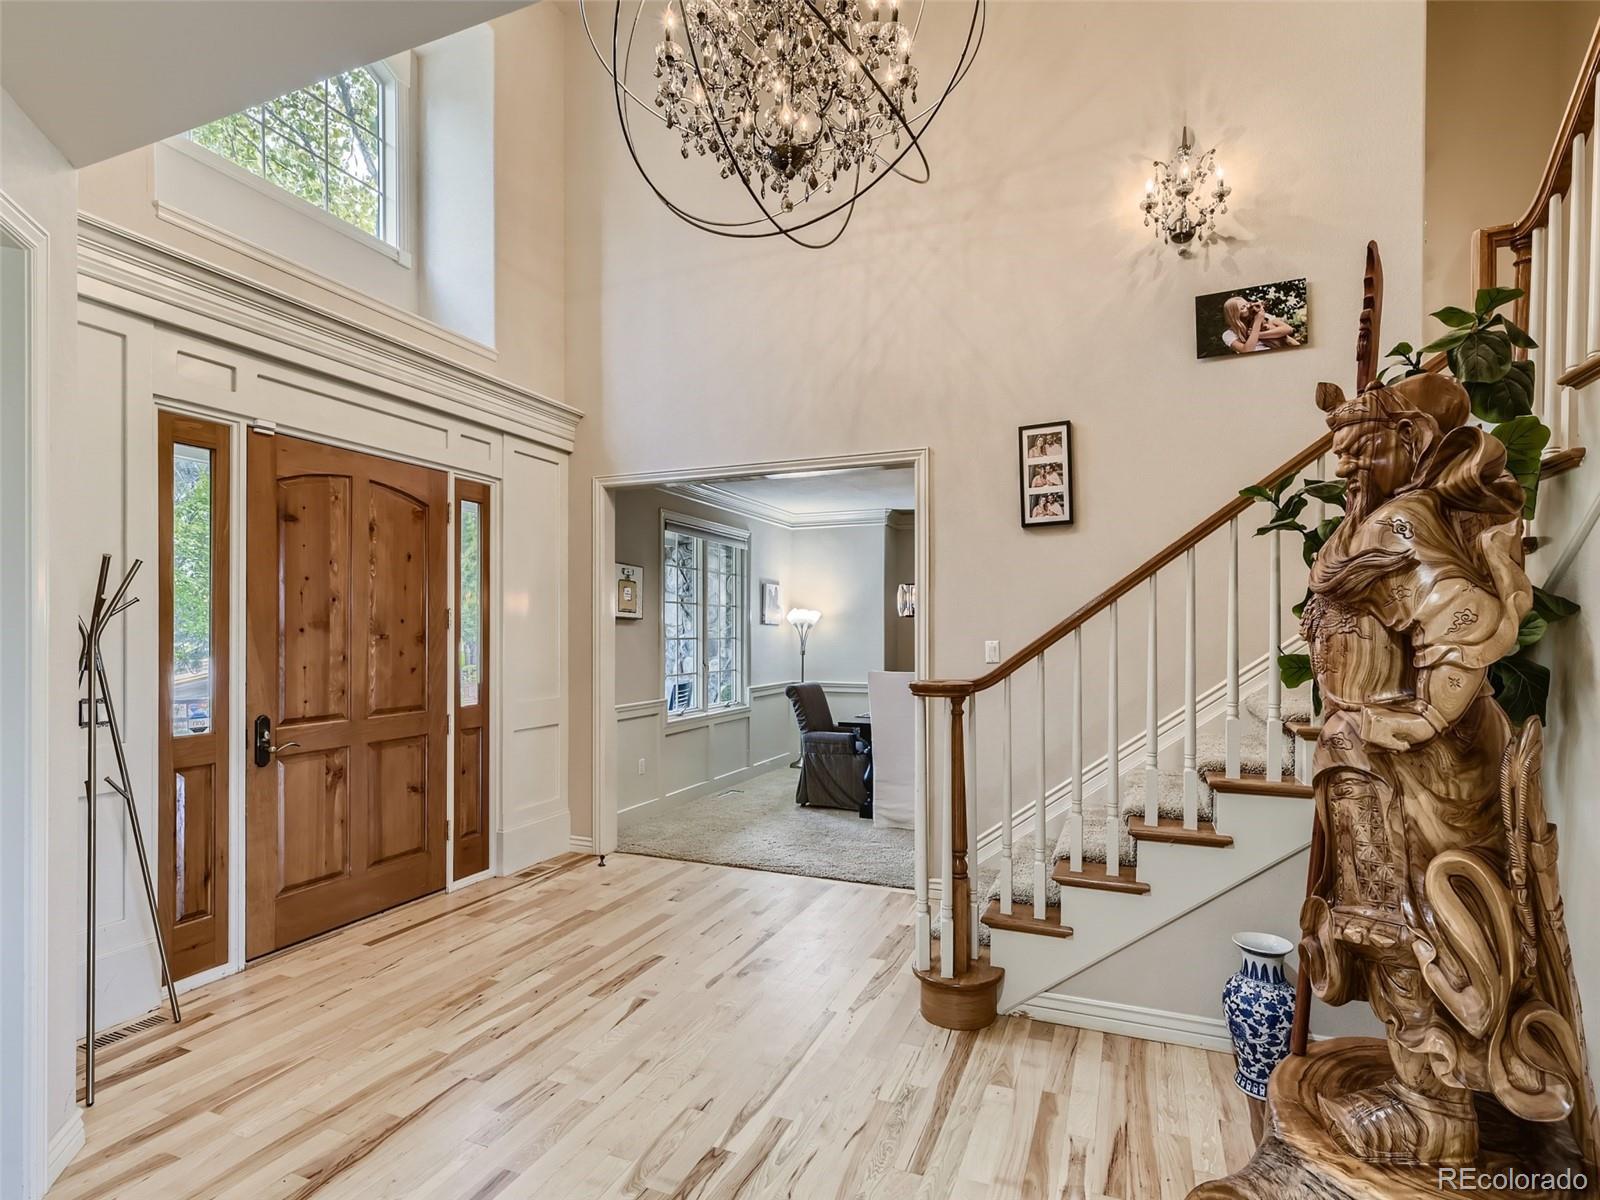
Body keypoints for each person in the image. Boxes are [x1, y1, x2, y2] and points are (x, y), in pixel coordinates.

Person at [1221, 296, 1300, 354]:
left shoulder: (1262, 316)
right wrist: (1257, 322)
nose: (1248, 308)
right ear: (1235, 315)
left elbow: (1288, 329)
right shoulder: (1228, 334)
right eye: (1243, 308)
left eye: (1247, 304)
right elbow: (1247, 351)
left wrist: (1258, 334)